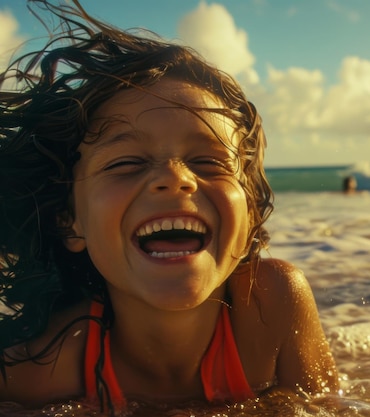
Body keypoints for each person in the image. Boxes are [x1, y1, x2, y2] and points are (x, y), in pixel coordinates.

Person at [0, 0, 338, 413]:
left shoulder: (271, 305)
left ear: (249, 215)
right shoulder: (46, 366)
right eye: (126, 163)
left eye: (209, 162)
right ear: (70, 222)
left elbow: (331, 407)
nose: (176, 177)